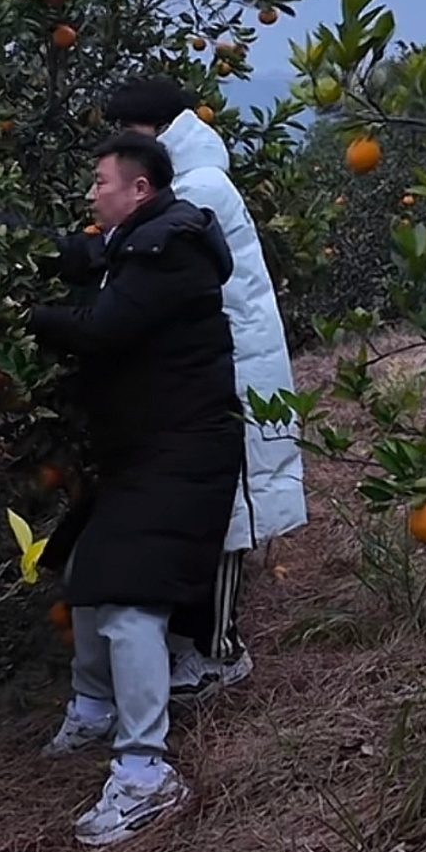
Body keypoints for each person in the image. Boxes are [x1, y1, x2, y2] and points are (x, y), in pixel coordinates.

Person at [29, 131, 244, 847]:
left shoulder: (171, 251)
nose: (92, 194)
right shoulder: (143, 238)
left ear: (138, 189)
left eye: (100, 182)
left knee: (127, 601)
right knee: (89, 574)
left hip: (184, 451)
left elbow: (101, 328)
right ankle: (94, 708)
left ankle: (146, 772)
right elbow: (81, 253)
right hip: (150, 448)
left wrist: (24, 318)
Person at [104, 76, 307, 697]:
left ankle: (221, 652)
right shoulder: (189, 180)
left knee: (227, 516)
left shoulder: (197, 190)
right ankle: (203, 642)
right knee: (211, 514)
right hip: (213, 372)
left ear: (153, 131)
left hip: (231, 376)